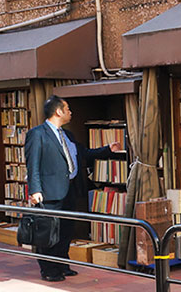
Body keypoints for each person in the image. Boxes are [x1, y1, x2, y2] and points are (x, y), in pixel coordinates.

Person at [25, 95, 121, 282]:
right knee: (49, 232)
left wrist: (108, 149)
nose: (71, 112)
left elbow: (83, 153)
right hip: (48, 192)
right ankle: (49, 270)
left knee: (66, 230)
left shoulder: (67, 135)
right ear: (59, 111)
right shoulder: (37, 134)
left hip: (69, 190)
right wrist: (34, 190)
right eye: (67, 109)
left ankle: (62, 264)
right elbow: (32, 164)